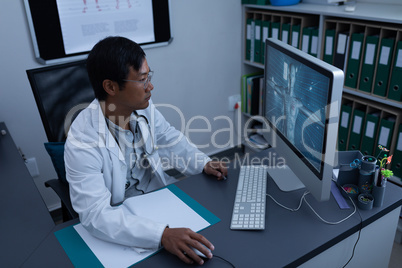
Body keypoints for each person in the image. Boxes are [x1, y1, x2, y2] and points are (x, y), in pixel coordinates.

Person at [64, 36, 227, 265]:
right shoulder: (82, 139)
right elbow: (95, 215)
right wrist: (161, 235)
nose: (150, 86)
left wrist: (203, 163)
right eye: (142, 80)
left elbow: (169, 139)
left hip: (162, 202)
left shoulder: (143, 108)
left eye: (149, 76)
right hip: (122, 221)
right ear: (110, 87)